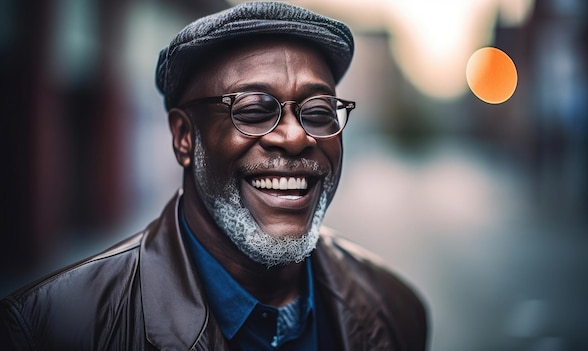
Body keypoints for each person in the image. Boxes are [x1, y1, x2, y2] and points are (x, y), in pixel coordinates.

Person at [0, 2, 428, 350]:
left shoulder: (394, 309)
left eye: (318, 112)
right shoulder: (49, 329)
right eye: (256, 109)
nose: (297, 137)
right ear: (185, 138)